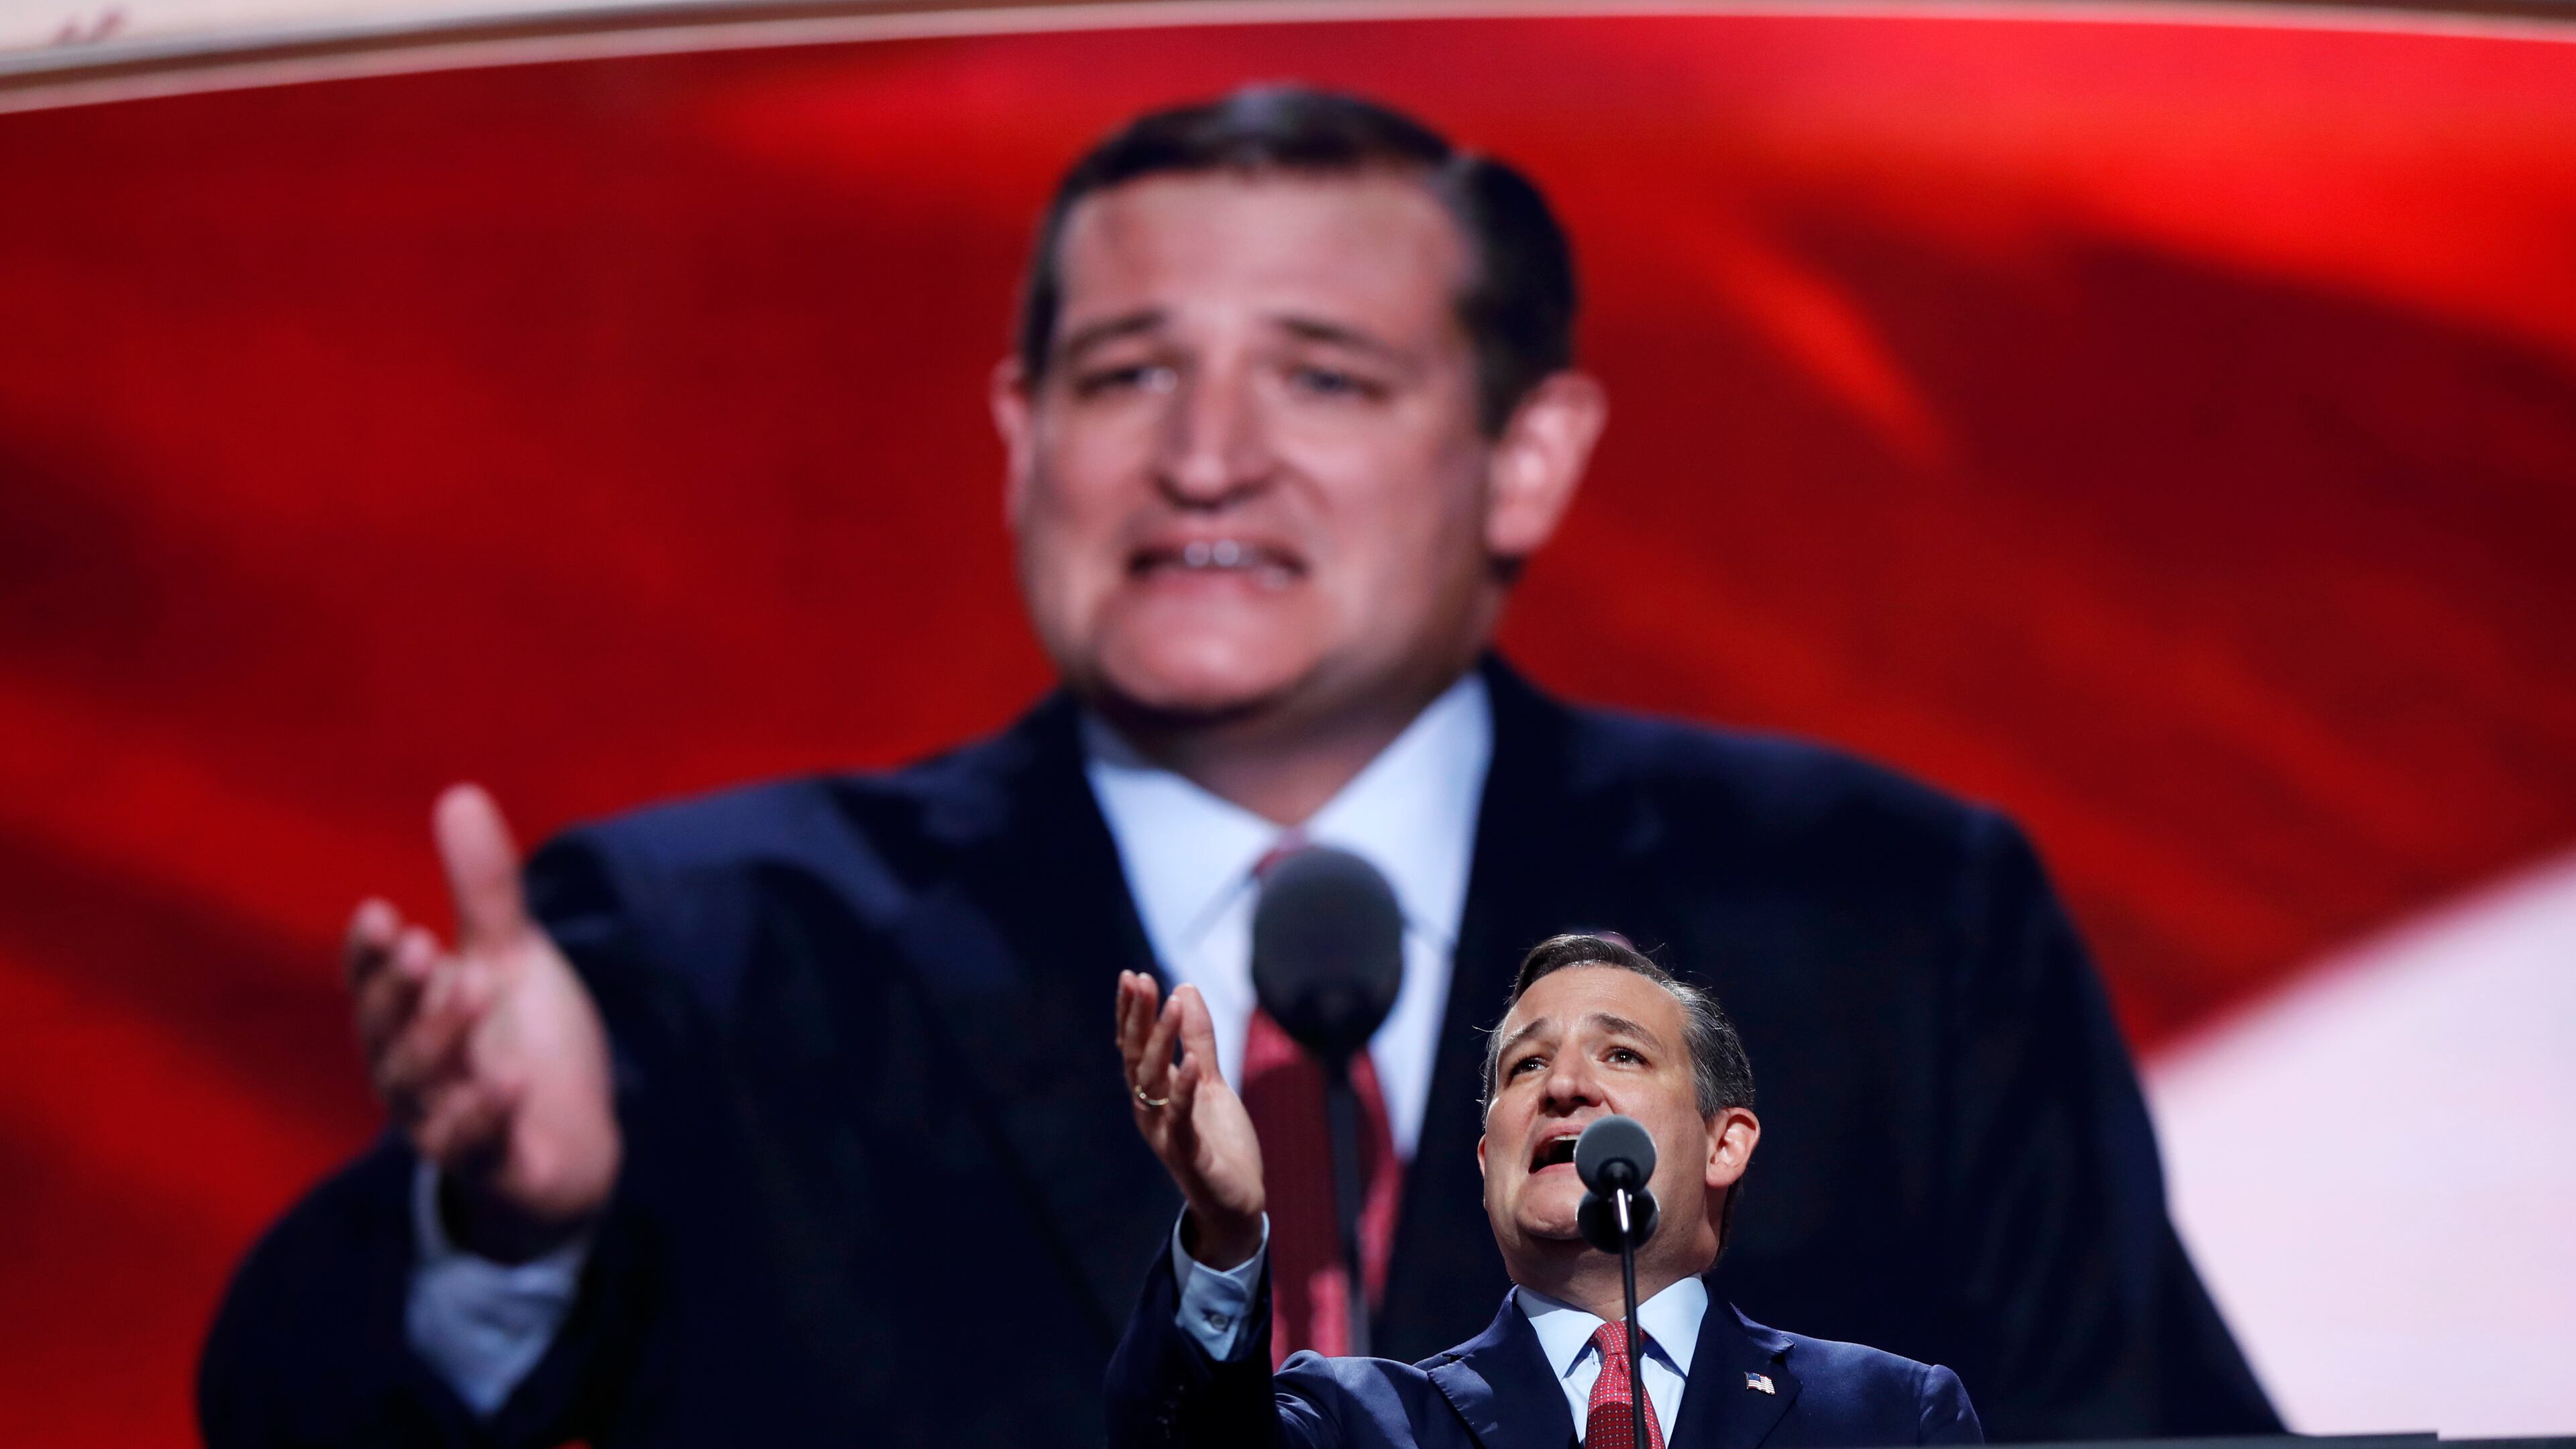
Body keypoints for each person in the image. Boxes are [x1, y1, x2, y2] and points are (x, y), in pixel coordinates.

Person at [199, 87, 2275, 1447]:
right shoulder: (698, 947)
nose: (1204, 456)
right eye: (1127, 376)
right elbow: (283, 1411)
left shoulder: (1893, 923)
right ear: (1021, 443)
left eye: (1322, 373)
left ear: (1524, 455)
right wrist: (505, 1228)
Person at [1106, 933, 1982, 1449]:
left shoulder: (1889, 1416)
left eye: (1622, 1055)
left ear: (1725, 1144)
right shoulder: (1363, 1421)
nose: (1564, 1087)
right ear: (1490, 1163)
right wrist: (1224, 1233)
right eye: (1528, 1066)